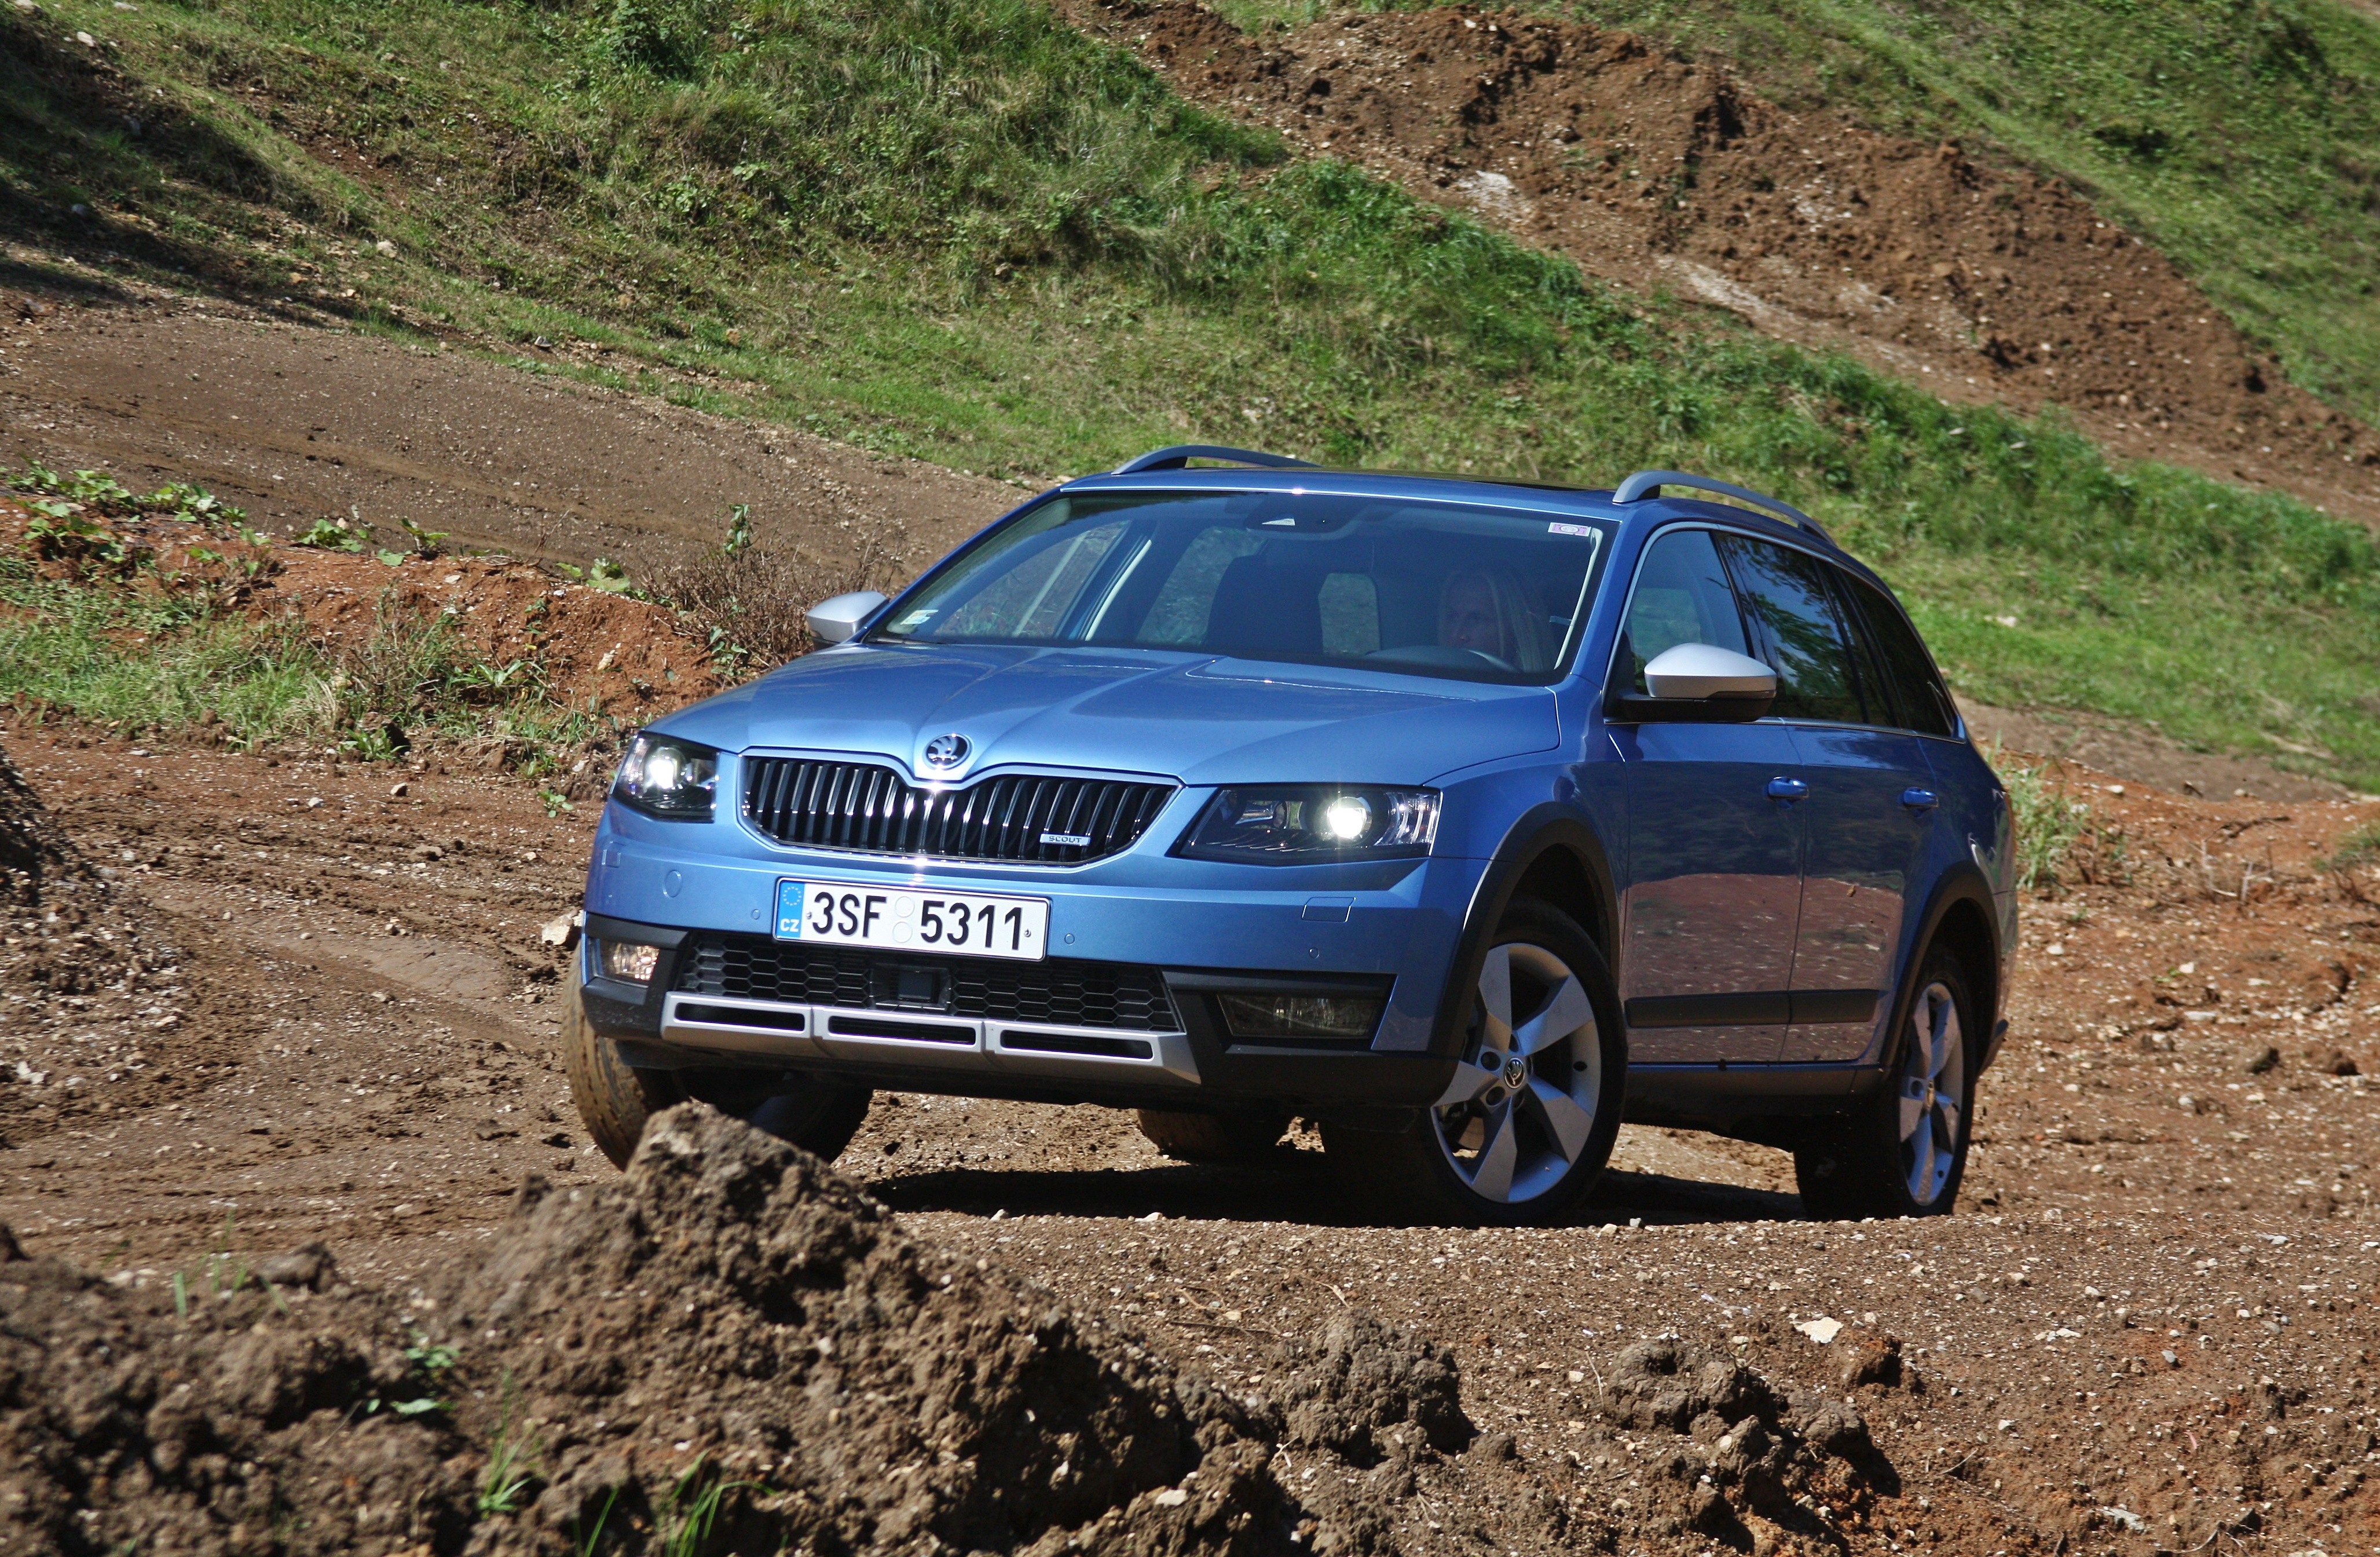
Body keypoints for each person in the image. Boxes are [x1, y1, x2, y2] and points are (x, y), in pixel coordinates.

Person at [1437, 567, 1551, 670]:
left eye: (1476, 619)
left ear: (1516, 628)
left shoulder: (1551, 683)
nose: (1456, 635)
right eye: (1452, 617)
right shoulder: (1430, 681)